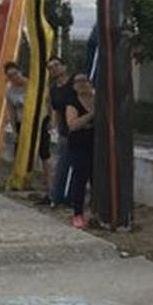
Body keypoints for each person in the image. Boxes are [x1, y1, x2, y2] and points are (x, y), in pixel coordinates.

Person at [63, 72, 96, 228]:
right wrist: (91, 116)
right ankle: (78, 213)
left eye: (84, 80)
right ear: (74, 86)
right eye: (78, 82)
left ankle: (96, 211)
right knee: (80, 179)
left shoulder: (98, 99)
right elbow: (73, 125)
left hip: (96, 144)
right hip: (79, 145)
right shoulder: (72, 103)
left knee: (97, 179)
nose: (82, 84)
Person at [43, 56, 74, 206]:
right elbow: (55, 110)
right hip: (64, 132)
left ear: (64, 67)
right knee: (62, 164)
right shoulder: (54, 90)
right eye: (50, 67)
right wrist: (53, 124)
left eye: (56, 65)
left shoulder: (75, 84)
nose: (53, 69)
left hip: (80, 131)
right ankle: (58, 196)